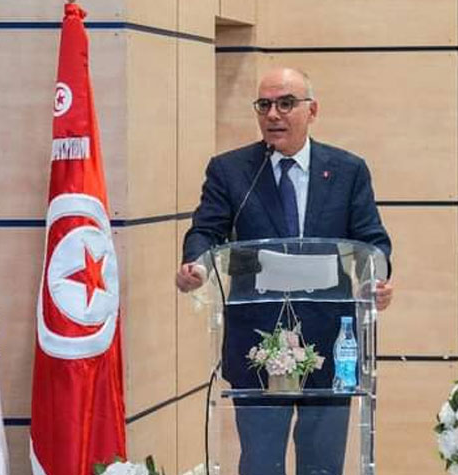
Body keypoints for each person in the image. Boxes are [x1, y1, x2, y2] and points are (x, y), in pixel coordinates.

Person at [177, 67, 393, 474]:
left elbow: (372, 240)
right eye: (264, 105)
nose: (273, 114)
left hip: (330, 338)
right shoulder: (231, 170)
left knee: (322, 462)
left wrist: (375, 279)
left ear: (312, 110)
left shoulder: (348, 170)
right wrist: (197, 266)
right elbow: (206, 230)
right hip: (256, 337)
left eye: (286, 103)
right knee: (261, 461)